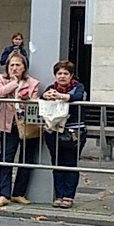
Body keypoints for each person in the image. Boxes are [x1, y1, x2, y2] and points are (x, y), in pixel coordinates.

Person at [0, 50, 41, 207]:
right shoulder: (2, 79)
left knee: (26, 159)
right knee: (6, 158)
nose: (14, 68)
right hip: (8, 124)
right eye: (11, 65)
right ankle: (4, 194)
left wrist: (27, 98)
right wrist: (14, 83)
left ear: (24, 67)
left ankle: (19, 192)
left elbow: (35, 101)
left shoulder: (33, 83)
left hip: (27, 125)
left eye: (18, 65)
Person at [41, 60, 86, 208]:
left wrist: (60, 96)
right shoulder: (50, 88)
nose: (62, 76)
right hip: (53, 130)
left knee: (71, 163)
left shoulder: (78, 87)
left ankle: (69, 196)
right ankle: (59, 195)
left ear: (71, 75)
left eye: (65, 73)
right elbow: (41, 100)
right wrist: (46, 96)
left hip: (73, 131)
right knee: (57, 163)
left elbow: (77, 97)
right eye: (59, 73)